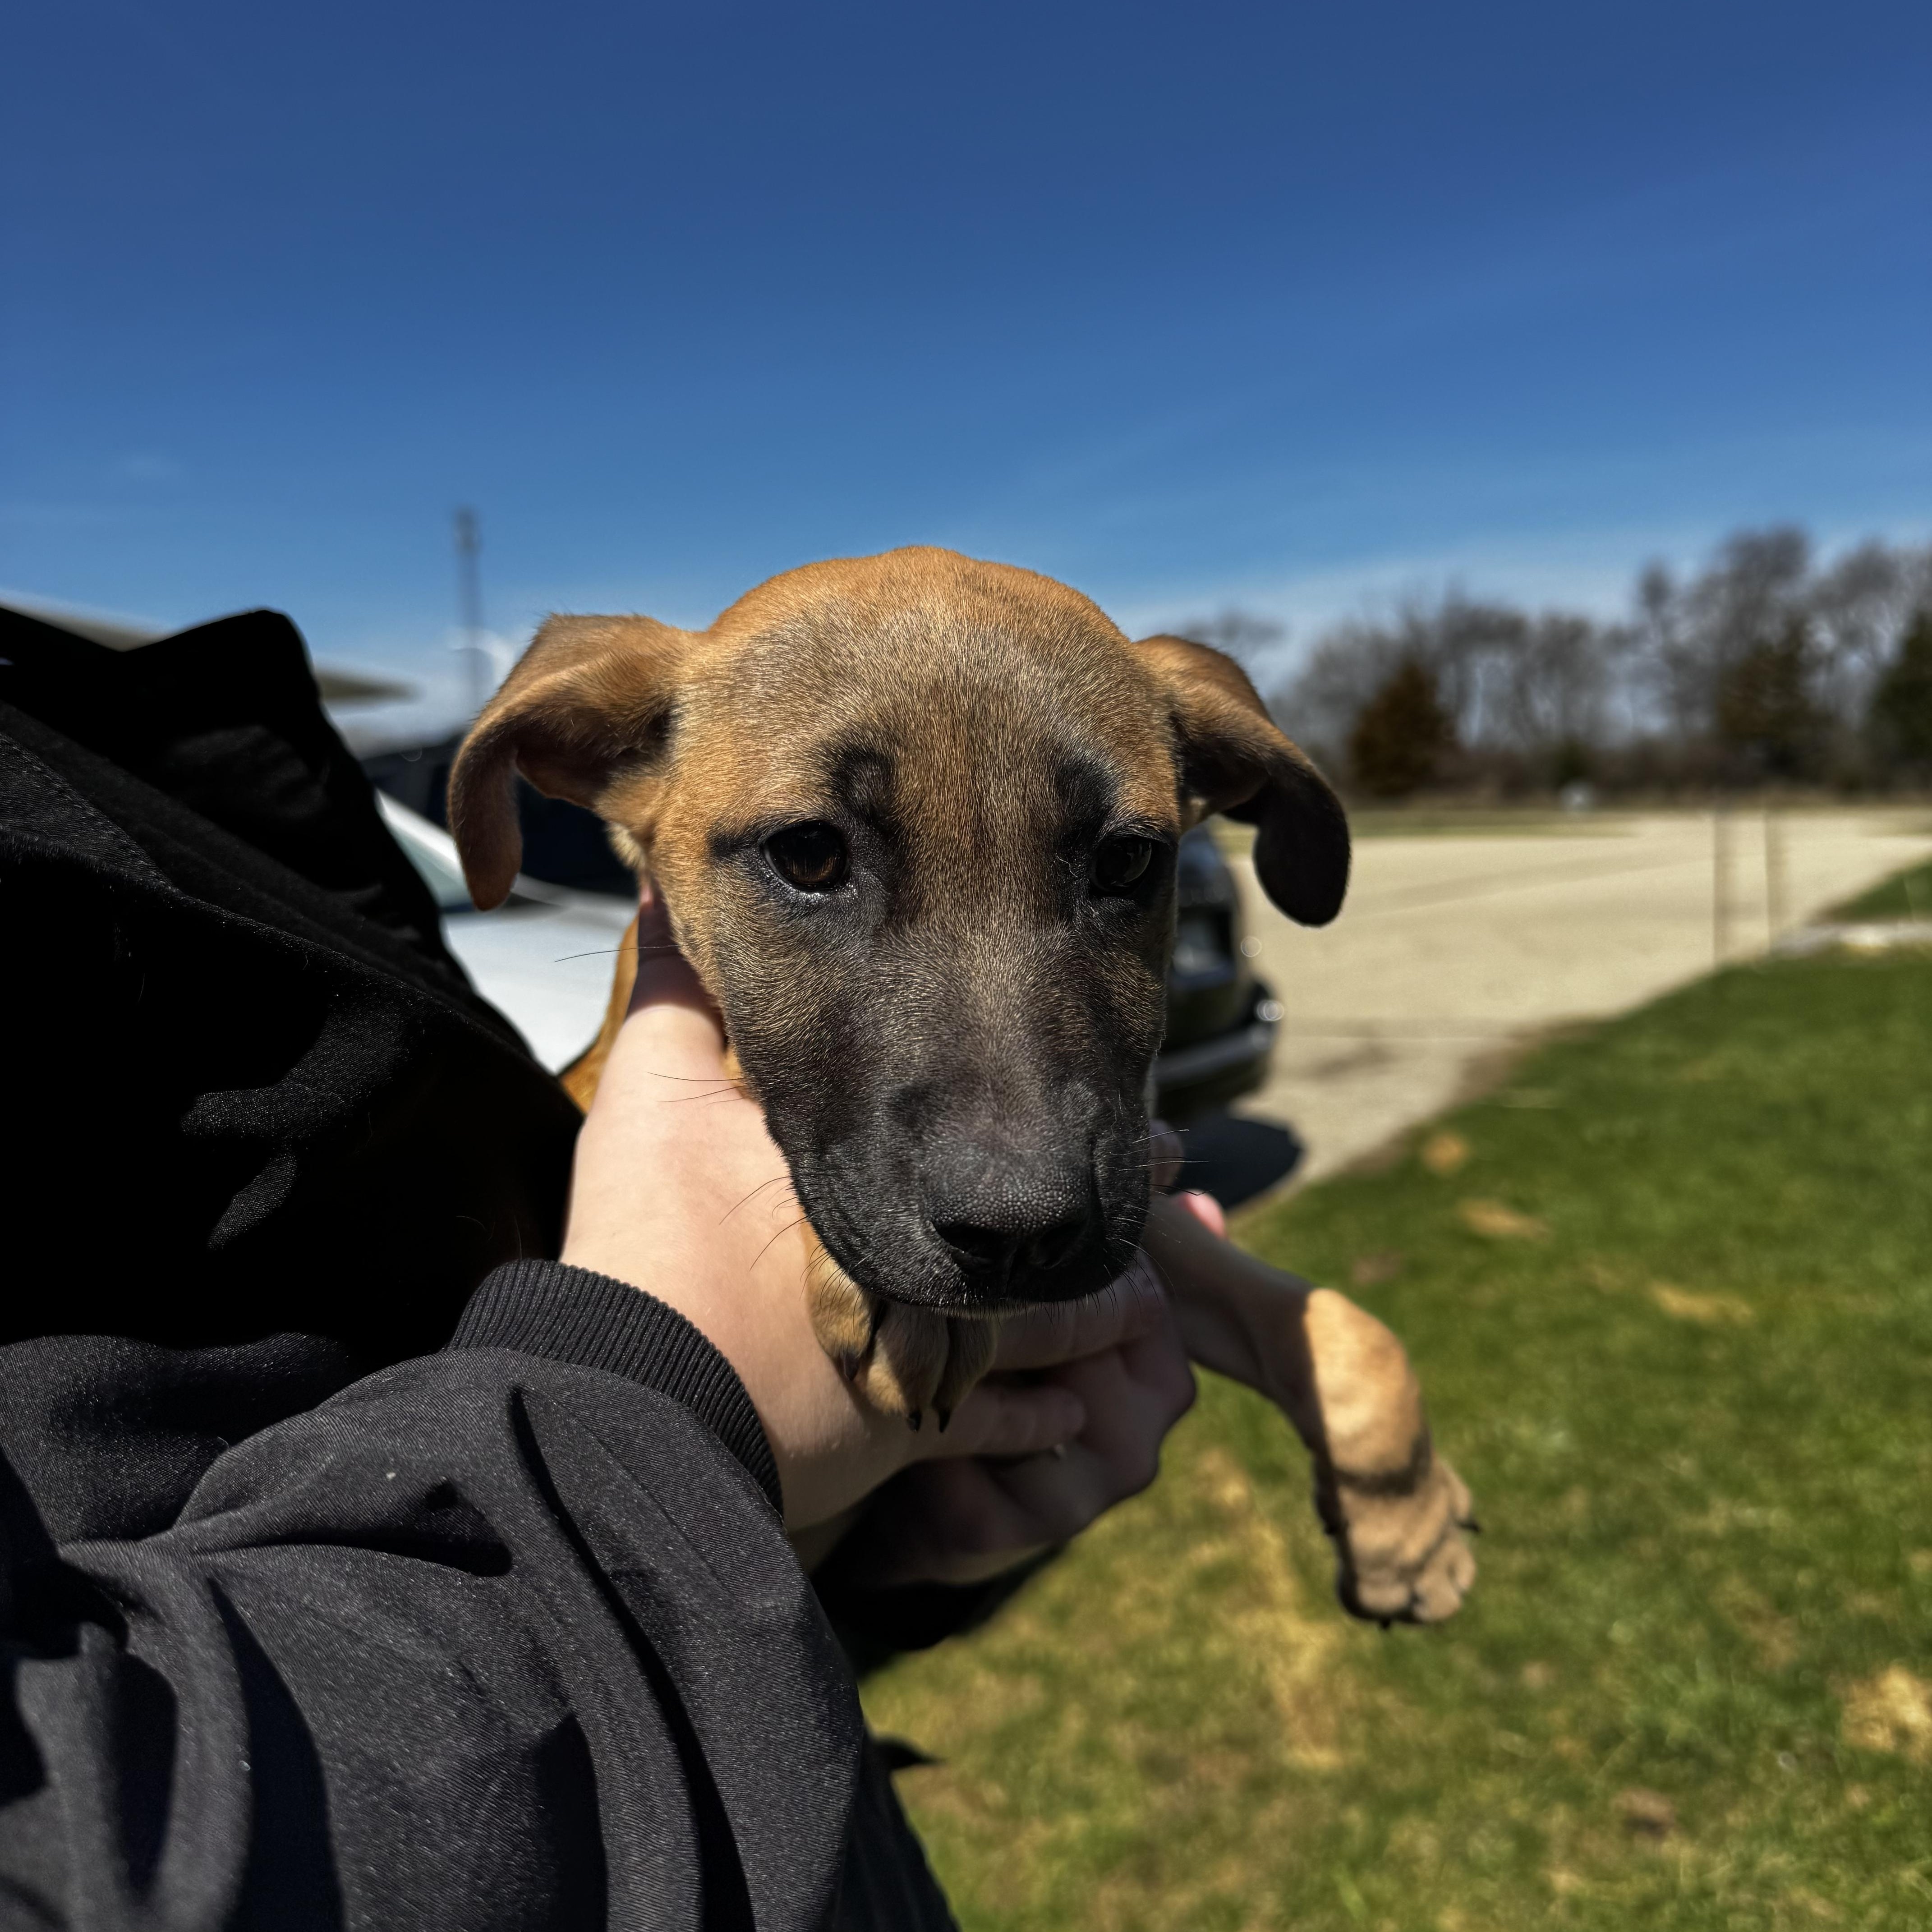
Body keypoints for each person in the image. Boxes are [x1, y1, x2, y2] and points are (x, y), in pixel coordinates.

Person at [0, 601, 1209, 1927]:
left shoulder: (104, 722)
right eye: (811, 850)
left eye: (1120, 864)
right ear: (586, 756)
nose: (1022, 1181)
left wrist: (859, 1552)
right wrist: (658, 1421)